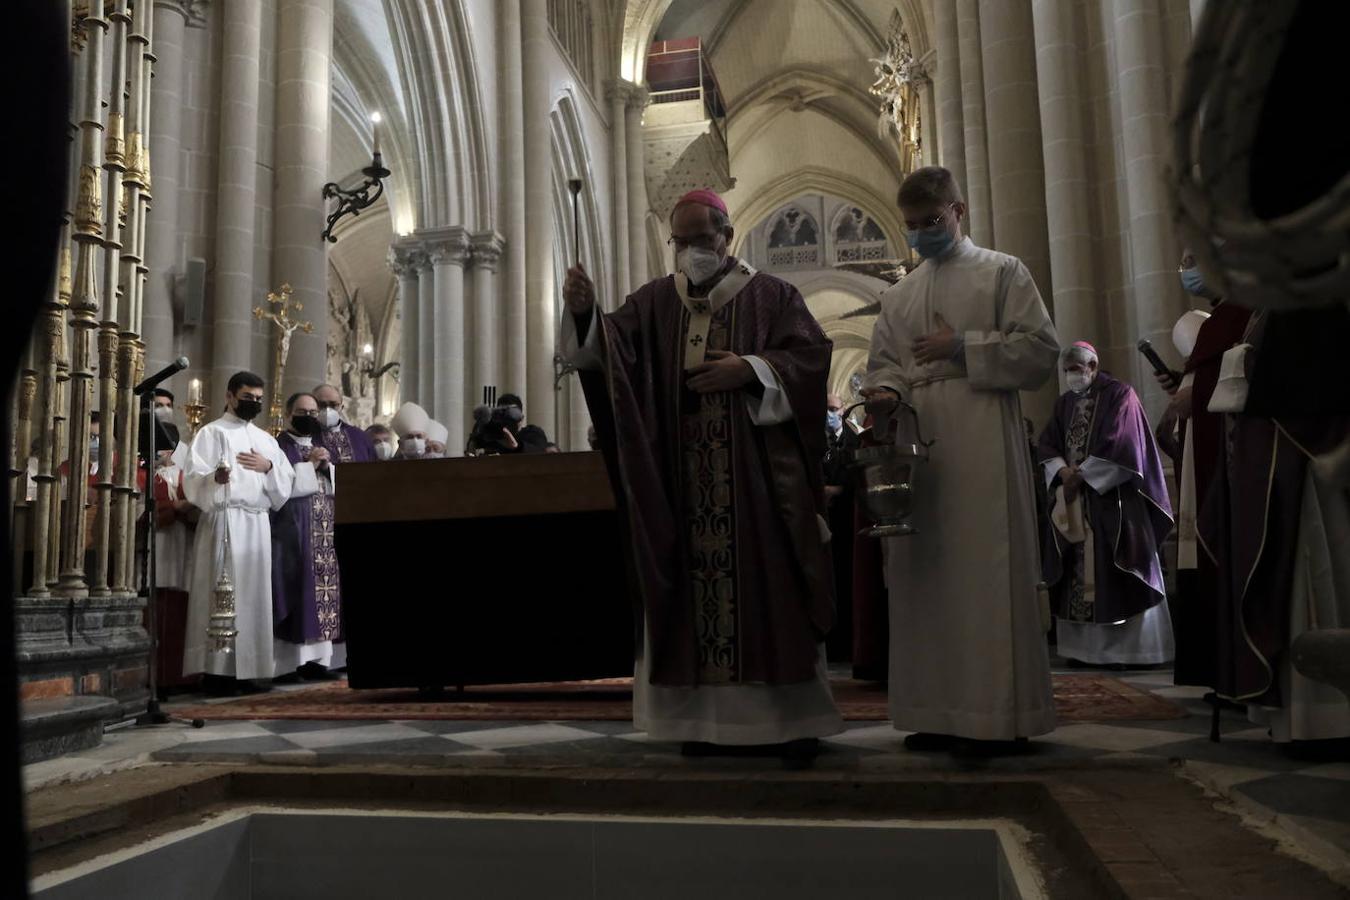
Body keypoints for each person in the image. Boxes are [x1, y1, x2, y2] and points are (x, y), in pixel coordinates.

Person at [561, 187, 842, 755]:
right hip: (679, 483)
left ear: (728, 235)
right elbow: (606, 356)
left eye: (702, 238)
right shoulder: (654, 302)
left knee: (769, 591)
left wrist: (753, 368)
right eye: (681, 241)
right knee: (687, 595)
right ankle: (700, 724)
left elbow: (811, 360)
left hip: (757, 482)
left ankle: (782, 723)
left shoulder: (772, 295)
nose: (692, 250)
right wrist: (585, 311)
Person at [862, 166, 1059, 753]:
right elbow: (884, 363)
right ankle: (934, 709)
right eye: (914, 226)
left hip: (981, 431)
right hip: (919, 440)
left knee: (984, 570)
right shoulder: (899, 294)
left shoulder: (1002, 272)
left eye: (933, 220)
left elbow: (1040, 351)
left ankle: (995, 716)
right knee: (924, 573)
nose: (923, 233)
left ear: (960, 211)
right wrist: (886, 390)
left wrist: (965, 347)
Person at [1038, 342, 1174, 668]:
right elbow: (1047, 442)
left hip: (1113, 500)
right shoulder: (1064, 404)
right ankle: (1082, 652)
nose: (1073, 377)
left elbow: (1123, 443)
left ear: (1094, 366)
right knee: (1076, 569)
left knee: (1116, 567)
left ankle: (1129, 653)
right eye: (1067, 371)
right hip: (1075, 502)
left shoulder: (1120, 395)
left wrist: (1082, 476)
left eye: (1077, 370)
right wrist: (1062, 471)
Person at [1161, 249, 1252, 691]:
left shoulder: (1242, 313)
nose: (1186, 269)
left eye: (1194, 257)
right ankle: (1218, 670)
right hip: (1202, 450)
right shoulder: (1220, 319)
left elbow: (1242, 385)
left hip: (1226, 457)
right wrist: (1184, 393)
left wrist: (1190, 398)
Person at [182, 371, 294, 695]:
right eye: (248, 397)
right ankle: (217, 673)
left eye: (258, 398)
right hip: (224, 520)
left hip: (256, 523)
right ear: (230, 396)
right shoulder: (210, 432)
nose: (254, 403)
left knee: (253, 597)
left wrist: (269, 467)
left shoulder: (265, 440)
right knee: (221, 593)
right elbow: (193, 479)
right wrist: (214, 479)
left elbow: (283, 485)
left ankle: (252, 670)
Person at [271, 393, 344, 681]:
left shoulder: (322, 446)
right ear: (289, 414)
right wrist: (310, 465)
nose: (311, 417)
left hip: (324, 534)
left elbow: (340, 484)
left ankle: (318, 662)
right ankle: (289, 665)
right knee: (294, 593)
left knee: (322, 596)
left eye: (314, 412)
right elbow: (279, 487)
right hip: (291, 533)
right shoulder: (279, 446)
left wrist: (327, 468)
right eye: (303, 411)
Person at [150, 421, 198, 692]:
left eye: (167, 447)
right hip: (152, 549)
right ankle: (154, 677)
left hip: (182, 551)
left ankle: (180, 677)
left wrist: (189, 508)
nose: (162, 453)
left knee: (179, 612)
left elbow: (201, 509)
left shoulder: (187, 475)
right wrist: (172, 507)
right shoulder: (141, 474)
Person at [822, 393, 861, 664]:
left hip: (846, 521)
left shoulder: (853, 440)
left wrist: (838, 489)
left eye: (834, 409)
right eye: (825, 409)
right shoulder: (812, 437)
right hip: (821, 521)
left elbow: (858, 476)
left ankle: (846, 645)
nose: (830, 414)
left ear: (843, 409)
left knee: (847, 580)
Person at [312, 383, 378, 462]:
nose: (327, 409)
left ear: (341, 407)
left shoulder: (360, 437)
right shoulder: (305, 436)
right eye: (321, 404)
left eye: (333, 405)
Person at [154, 387, 190, 468]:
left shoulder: (182, 449)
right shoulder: (140, 445)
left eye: (169, 405)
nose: (165, 410)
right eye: (159, 405)